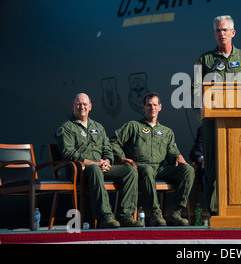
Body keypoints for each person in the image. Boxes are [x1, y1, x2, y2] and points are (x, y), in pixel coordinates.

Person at [194, 15, 241, 215]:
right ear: (214, 34)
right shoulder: (204, 60)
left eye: (225, 30)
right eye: (218, 30)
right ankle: (215, 211)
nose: (222, 34)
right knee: (212, 166)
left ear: (233, 33)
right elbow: (196, 91)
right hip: (213, 122)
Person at [55, 93, 143, 228]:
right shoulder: (66, 128)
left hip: (100, 167)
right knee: (95, 169)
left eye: (85, 104)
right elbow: (69, 153)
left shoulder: (98, 127)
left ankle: (125, 216)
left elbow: (107, 149)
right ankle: (105, 217)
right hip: (79, 171)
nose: (82, 107)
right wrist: (96, 164)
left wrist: (107, 161)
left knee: (130, 171)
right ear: (73, 106)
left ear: (90, 107)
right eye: (78, 104)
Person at [110, 92, 195, 226]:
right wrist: (122, 158)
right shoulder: (133, 126)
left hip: (160, 168)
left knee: (188, 170)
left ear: (160, 107)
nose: (152, 108)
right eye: (149, 105)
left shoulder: (167, 131)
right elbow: (113, 141)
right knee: (147, 169)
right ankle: (155, 213)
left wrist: (177, 156)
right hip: (139, 168)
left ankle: (176, 213)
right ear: (143, 108)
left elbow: (171, 153)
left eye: (155, 105)